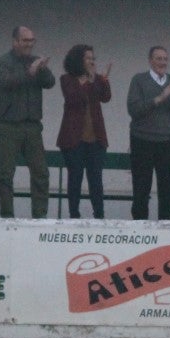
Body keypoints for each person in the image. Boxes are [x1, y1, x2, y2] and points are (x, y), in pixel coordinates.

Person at [0, 25, 57, 218]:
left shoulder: (35, 61)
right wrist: (30, 72)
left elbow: (50, 83)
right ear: (15, 42)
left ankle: (40, 217)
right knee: (6, 174)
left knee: (41, 173)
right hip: (8, 125)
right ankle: (7, 217)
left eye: (32, 40)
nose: (29, 44)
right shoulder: (2, 62)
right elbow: (6, 82)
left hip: (32, 126)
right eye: (25, 40)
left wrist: (42, 69)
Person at [127, 46, 170, 220]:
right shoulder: (139, 80)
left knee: (168, 189)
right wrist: (161, 97)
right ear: (150, 60)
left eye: (165, 59)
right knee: (141, 187)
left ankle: (165, 224)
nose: (162, 62)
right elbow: (134, 110)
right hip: (142, 139)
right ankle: (139, 226)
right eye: (158, 58)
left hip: (167, 140)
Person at [56, 44, 112, 219]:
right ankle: (74, 215)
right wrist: (88, 82)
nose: (91, 61)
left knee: (96, 178)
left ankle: (99, 215)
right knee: (75, 177)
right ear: (78, 60)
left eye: (93, 58)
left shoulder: (97, 79)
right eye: (88, 58)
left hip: (96, 138)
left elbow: (105, 97)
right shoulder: (67, 79)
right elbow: (74, 98)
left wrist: (99, 79)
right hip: (73, 138)